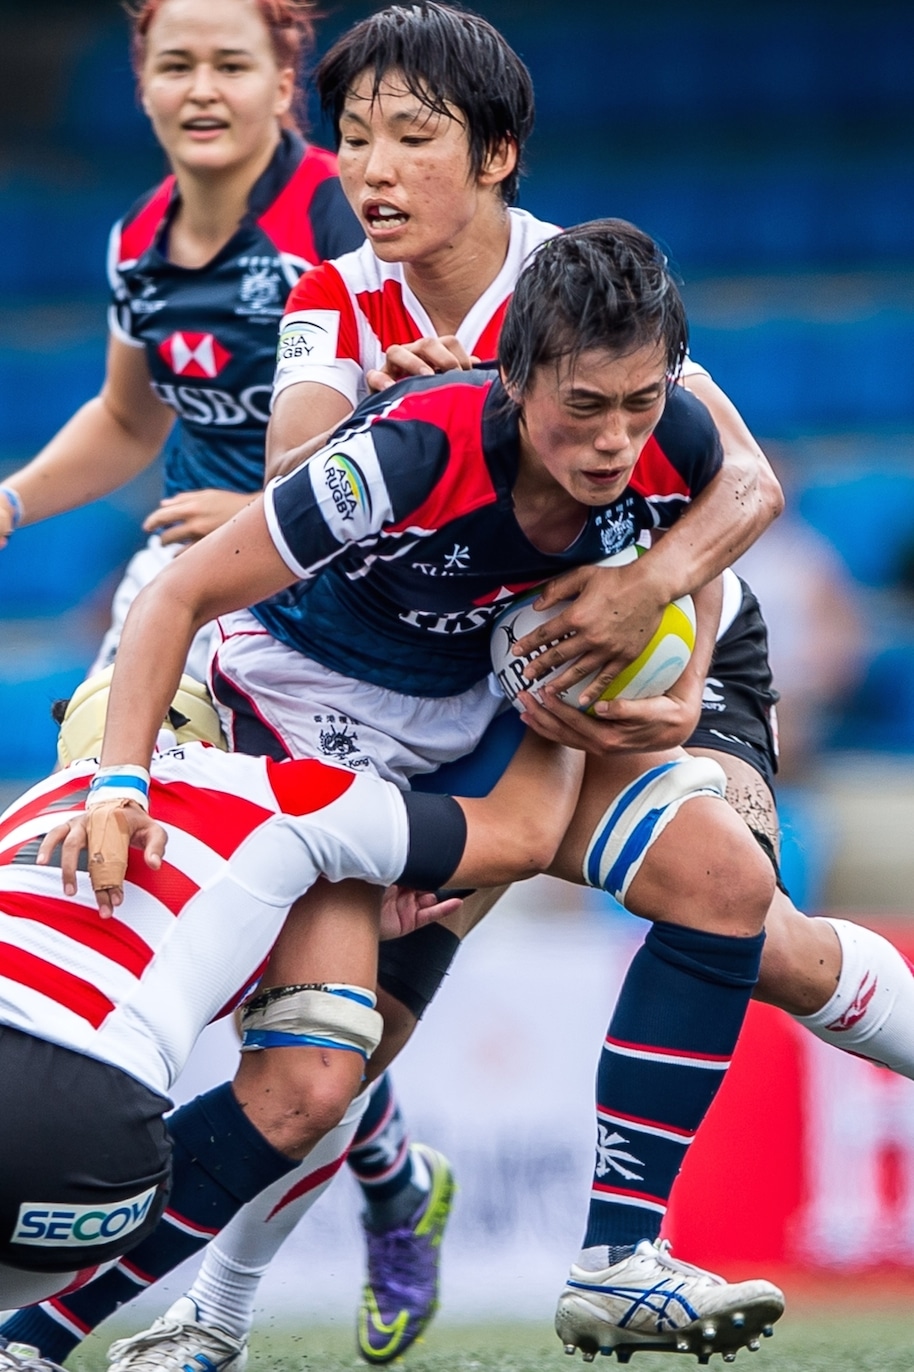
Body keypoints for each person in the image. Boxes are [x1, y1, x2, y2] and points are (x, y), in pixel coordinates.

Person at [21, 220, 797, 1371]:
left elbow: (744, 495)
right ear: (515, 370)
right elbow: (178, 594)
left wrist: (673, 699)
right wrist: (121, 779)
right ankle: (40, 1331)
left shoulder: (668, 442)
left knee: (725, 879)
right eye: (584, 406)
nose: (614, 440)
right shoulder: (403, 454)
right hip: (301, 731)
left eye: (639, 405)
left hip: (475, 733)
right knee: (308, 1080)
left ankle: (615, 1261)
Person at [0, 669, 580, 1358]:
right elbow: (521, 835)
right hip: (82, 1197)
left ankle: (218, 1307)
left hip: (60, 1147)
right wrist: (571, 709)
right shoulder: (273, 783)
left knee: (321, 1044)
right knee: (316, 1048)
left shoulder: (22, 809)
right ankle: (97, 1331)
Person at [0, 0, 362, 678]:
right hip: (186, 574)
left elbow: (420, 413)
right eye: (175, 66)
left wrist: (267, 514)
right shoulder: (136, 239)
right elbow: (126, 422)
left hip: (341, 574)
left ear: (282, 83)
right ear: (143, 88)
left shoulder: (343, 214)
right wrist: (11, 500)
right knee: (96, 766)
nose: (202, 89)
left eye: (231, 65)